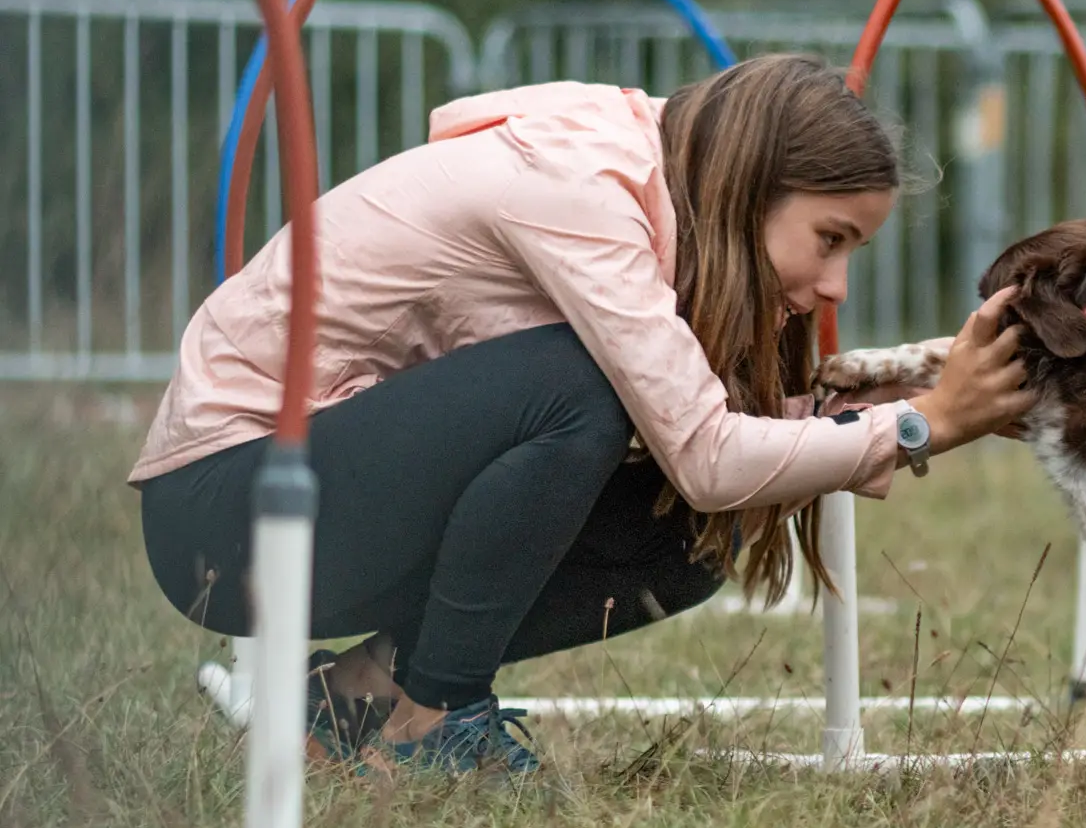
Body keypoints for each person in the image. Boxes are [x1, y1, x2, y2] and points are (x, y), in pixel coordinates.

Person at [131, 54, 1035, 776]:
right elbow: (707, 449)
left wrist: (881, 412)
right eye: (829, 239)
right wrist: (921, 428)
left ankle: (347, 704)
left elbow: (700, 454)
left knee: (680, 537)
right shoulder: (588, 189)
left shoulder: (649, 169)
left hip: (310, 493)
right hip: (224, 509)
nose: (833, 284)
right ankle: (433, 725)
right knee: (586, 392)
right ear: (751, 187)